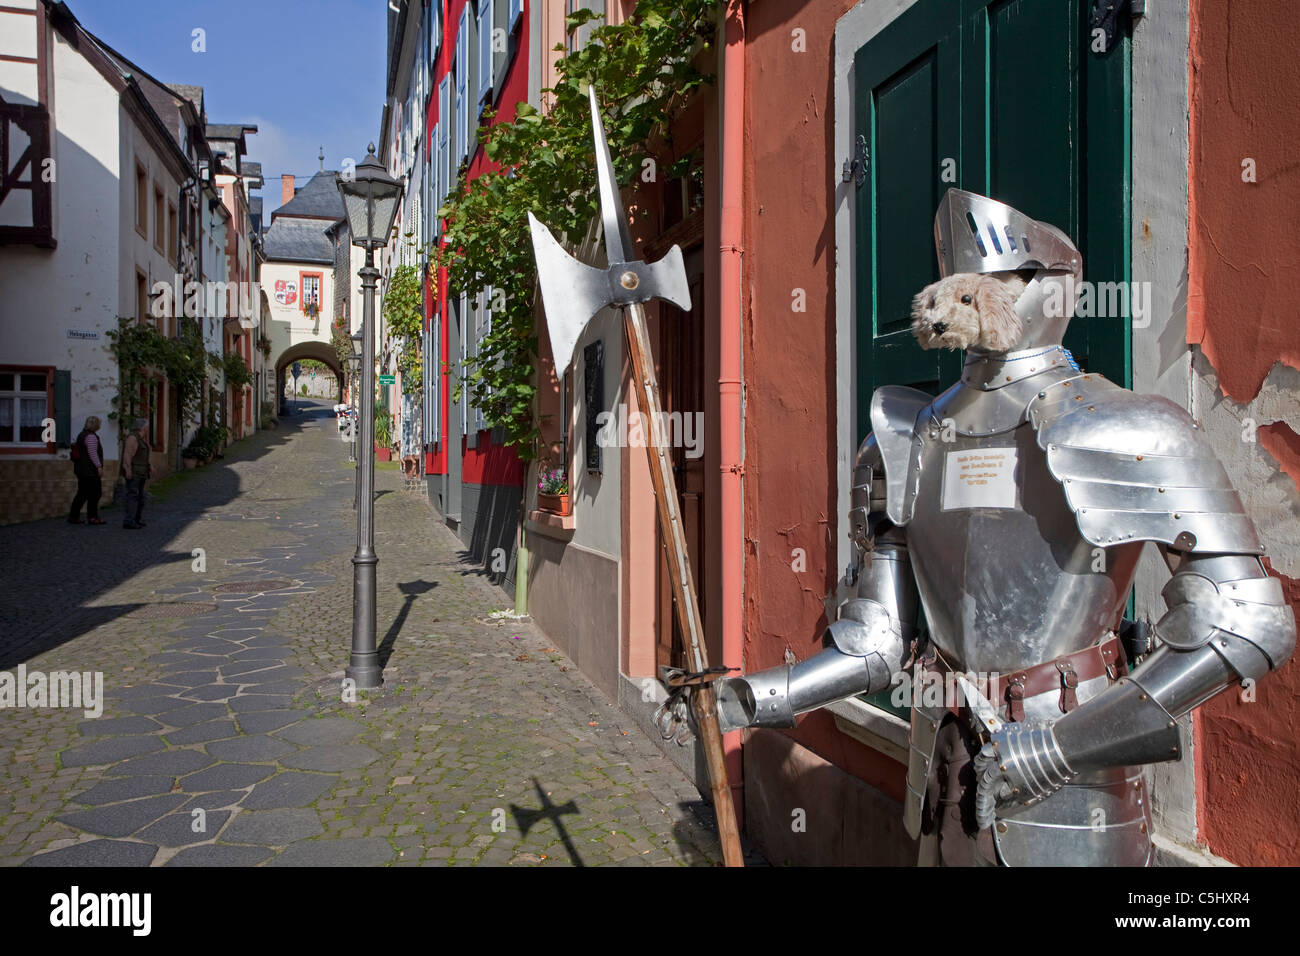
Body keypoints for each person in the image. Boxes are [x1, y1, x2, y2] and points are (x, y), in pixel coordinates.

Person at [67, 415, 105, 525]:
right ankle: (93, 517)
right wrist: (99, 466)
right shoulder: (91, 437)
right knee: (95, 494)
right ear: (96, 425)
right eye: (99, 423)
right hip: (90, 471)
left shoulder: (81, 435)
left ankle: (73, 516)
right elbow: (92, 453)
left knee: (82, 494)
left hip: (81, 469)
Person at [121, 417, 153, 529]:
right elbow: (127, 455)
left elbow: (144, 455)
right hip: (134, 472)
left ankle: (136, 519)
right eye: (147, 427)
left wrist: (150, 465)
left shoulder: (142, 438)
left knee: (140, 497)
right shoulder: (133, 438)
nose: (148, 429)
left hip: (141, 472)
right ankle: (129, 521)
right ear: (143, 427)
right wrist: (127, 469)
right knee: (133, 496)